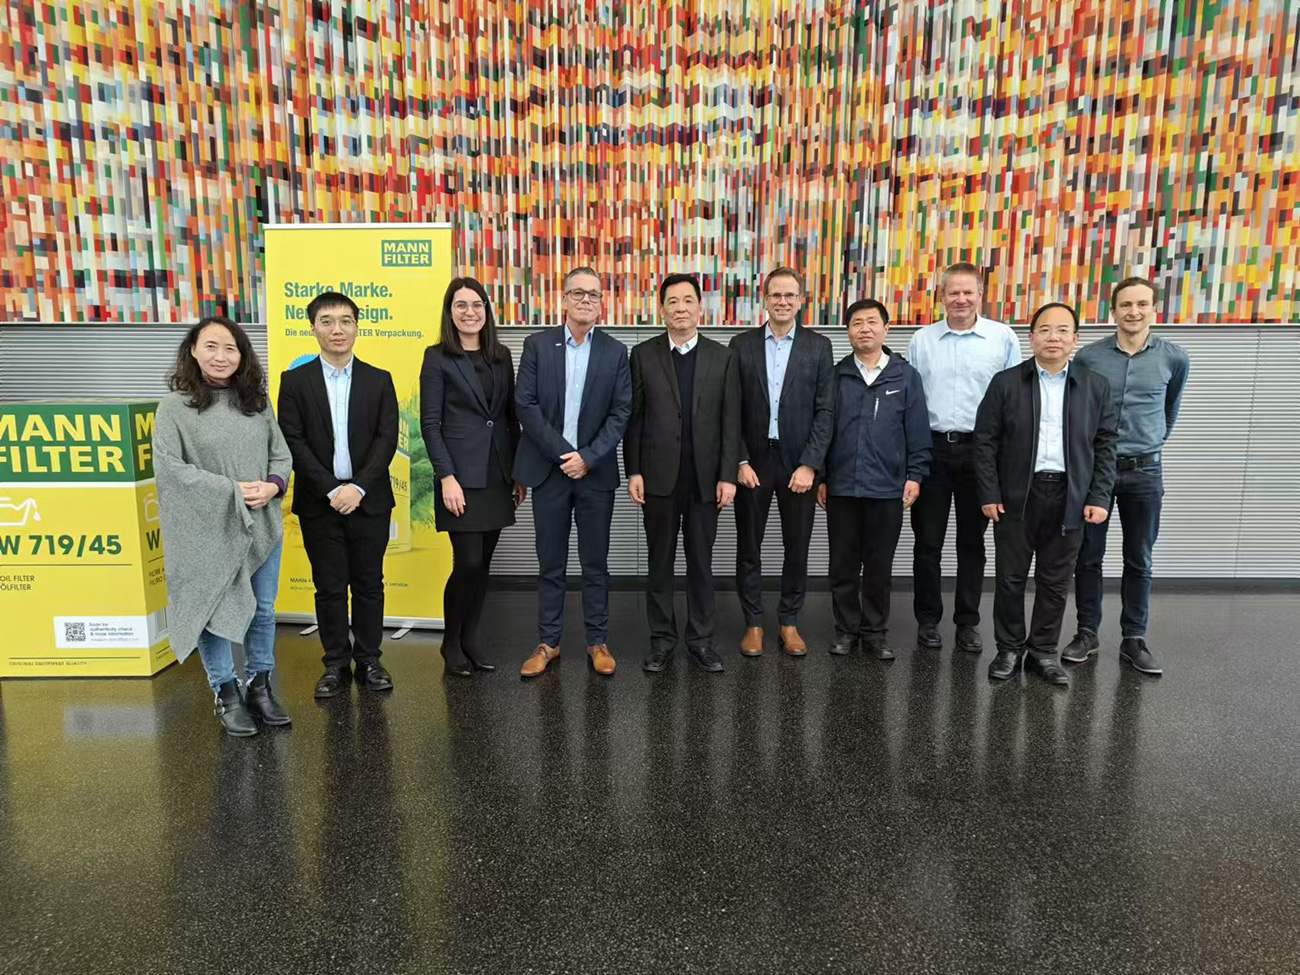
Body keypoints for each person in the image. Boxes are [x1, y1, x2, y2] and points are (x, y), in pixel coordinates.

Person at [153, 316, 293, 736]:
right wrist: (232, 490)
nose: (221, 356)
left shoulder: (257, 402)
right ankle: (226, 693)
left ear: (242, 355)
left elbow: (281, 455)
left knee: (262, 609)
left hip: (259, 524)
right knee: (209, 610)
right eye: (211, 346)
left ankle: (260, 686)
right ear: (193, 351)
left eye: (230, 348)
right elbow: (170, 470)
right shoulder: (174, 407)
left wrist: (273, 485)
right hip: (204, 531)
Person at [973, 303, 1117, 686]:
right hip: (1016, 495)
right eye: (1045, 330)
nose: (1054, 337)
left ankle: (1042, 651)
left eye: (1062, 330)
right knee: (1010, 578)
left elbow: (1106, 445)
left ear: (1075, 339)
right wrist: (988, 492)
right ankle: (1008, 649)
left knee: (1055, 581)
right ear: (1031, 336)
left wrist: (1099, 497)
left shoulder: (1094, 385)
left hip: (1071, 496)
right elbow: (984, 442)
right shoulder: (1006, 383)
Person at [277, 290, 399, 699]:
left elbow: (386, 438)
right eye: (327, 321)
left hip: (369, 499)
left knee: (369, 584)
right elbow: (293, 441)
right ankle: (334, 664)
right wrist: (332, 489)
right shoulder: (295, 382)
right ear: (313, 329)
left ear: (356, 327)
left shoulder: (379, 379)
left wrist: (358, 487)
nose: (337, 329)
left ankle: (369, 660)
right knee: (329, 587)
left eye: (346, 320)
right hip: (320, 502)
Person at [1066, 277, 1190, 676]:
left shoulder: (1173, 358)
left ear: (1154, 309)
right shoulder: (1089, 357)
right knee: (1088, 556)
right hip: (1096, 472)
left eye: (1141, 304)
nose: (1133, 312)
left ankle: (1134, 639)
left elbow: (1169, 411)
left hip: (1145, 472)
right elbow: (1077, 410)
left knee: (1139, 559)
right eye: (1125, 305)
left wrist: (1148, 444)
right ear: (1113, 311)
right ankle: (1087, 633)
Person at [513, 267, 631, 677]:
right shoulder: (536, 345)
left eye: (593, 294)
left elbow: (621, 413)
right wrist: (567, 455)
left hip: (595, 474)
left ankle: (598, 642)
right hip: (549, 472)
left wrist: (588, 457)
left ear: (601, 303)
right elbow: (525, 405)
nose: (585, 300)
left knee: (595, 564)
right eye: (577, 293)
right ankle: (549, 643)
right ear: (563, 299)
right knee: (551, 564)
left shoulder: (616, 352)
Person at [624, 273, 741, 674]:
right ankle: (661, 641)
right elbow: (635, 419)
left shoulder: (722, 357)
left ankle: (701, 641)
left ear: (699, 308)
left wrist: (728, 475)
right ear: (662, 309)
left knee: (701, 564)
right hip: (657, 477)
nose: (681, 308)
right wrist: (634, 470)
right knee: (659, 563)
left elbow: (731, 421)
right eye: (672, 301)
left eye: (688, 300)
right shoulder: (643, 355)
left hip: (706, 480)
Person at [906, 262, 1020, 652]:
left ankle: (967, 622)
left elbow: (1014, 400)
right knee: (928, 543)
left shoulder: (1002, 338)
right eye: (953, 292)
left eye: (968, 291)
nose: (961, 299)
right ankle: (927, 620)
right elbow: (911, 401)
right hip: (933, 450)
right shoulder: (922, 340)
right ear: (941, 296)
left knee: (972, 544)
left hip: (982, 453)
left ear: (980, 295)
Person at [419, 277, 523, 677]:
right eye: (461, 305)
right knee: (467, 561)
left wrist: (518, 473)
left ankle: (471, 640)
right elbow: (430, 424)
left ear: (486, 310)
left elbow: (510, 418)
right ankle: (451, 642)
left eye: (477, 304)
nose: (470, 312)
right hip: (459, 477)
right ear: (450, 312)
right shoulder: (437, 357)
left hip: (497, 474)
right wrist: (446, 477)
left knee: (483, 565)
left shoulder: (501, 356)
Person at [729, 267, 834, 657]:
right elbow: (730, 410)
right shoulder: (741, 345)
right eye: (776, 295)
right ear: (765, 299)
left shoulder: (819, 346)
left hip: (798, 465)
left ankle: (789, 622)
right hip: (753, 464)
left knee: (797, 547)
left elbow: (825, 411)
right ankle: (753, 623)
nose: (783, 301)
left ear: (801, 300)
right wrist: (739, 460)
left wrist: (811, 464)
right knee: (748, 547)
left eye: (790, 295)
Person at [817, 299, 931, 659]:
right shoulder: (836, 375)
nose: (864, 329)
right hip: (842, 486)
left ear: (886, 329)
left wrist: (915, 475)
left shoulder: (905, 376)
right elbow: (823, 429)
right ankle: (846, 630)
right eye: (856, 323)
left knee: (880, 565)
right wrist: (821, 476)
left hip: (887, 488)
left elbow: (917, 431)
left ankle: (875, 632)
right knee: (843, 564)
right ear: (847, 332)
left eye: (871, 322)